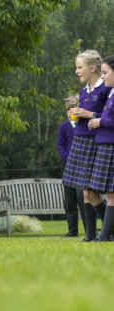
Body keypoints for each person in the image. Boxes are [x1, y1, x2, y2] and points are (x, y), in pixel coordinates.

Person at [63, 49, 110, 241]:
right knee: (85, 193)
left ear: (92, 68)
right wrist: (74, 116)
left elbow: (108, 117)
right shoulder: (84, 91)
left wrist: (89, 114)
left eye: (79, 67)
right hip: (80, 141)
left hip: (96, 143)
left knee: (89, 192)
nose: (77, 71)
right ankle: (91, 235)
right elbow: (84, 115)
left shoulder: (106, 89)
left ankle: (108, 231)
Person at [87, 55, 114, 241]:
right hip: (105, 144)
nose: (102, 77)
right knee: (109, 193)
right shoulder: (111, 93)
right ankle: (106, 235)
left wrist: (100, 121)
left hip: (111, 146)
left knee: (112, 194)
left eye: (105, 72)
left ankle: (104, 237)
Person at [58, 95, 86, 237]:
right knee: (69, 200)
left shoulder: (85, 126)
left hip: (82, 167)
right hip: (68, 167)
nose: (71, 112)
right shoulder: (63, 127)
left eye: (74, 109)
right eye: (69, 109)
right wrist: (68, 160)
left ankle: (89, 230)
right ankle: (72, 230)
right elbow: (61, 146)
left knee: (82, 197)